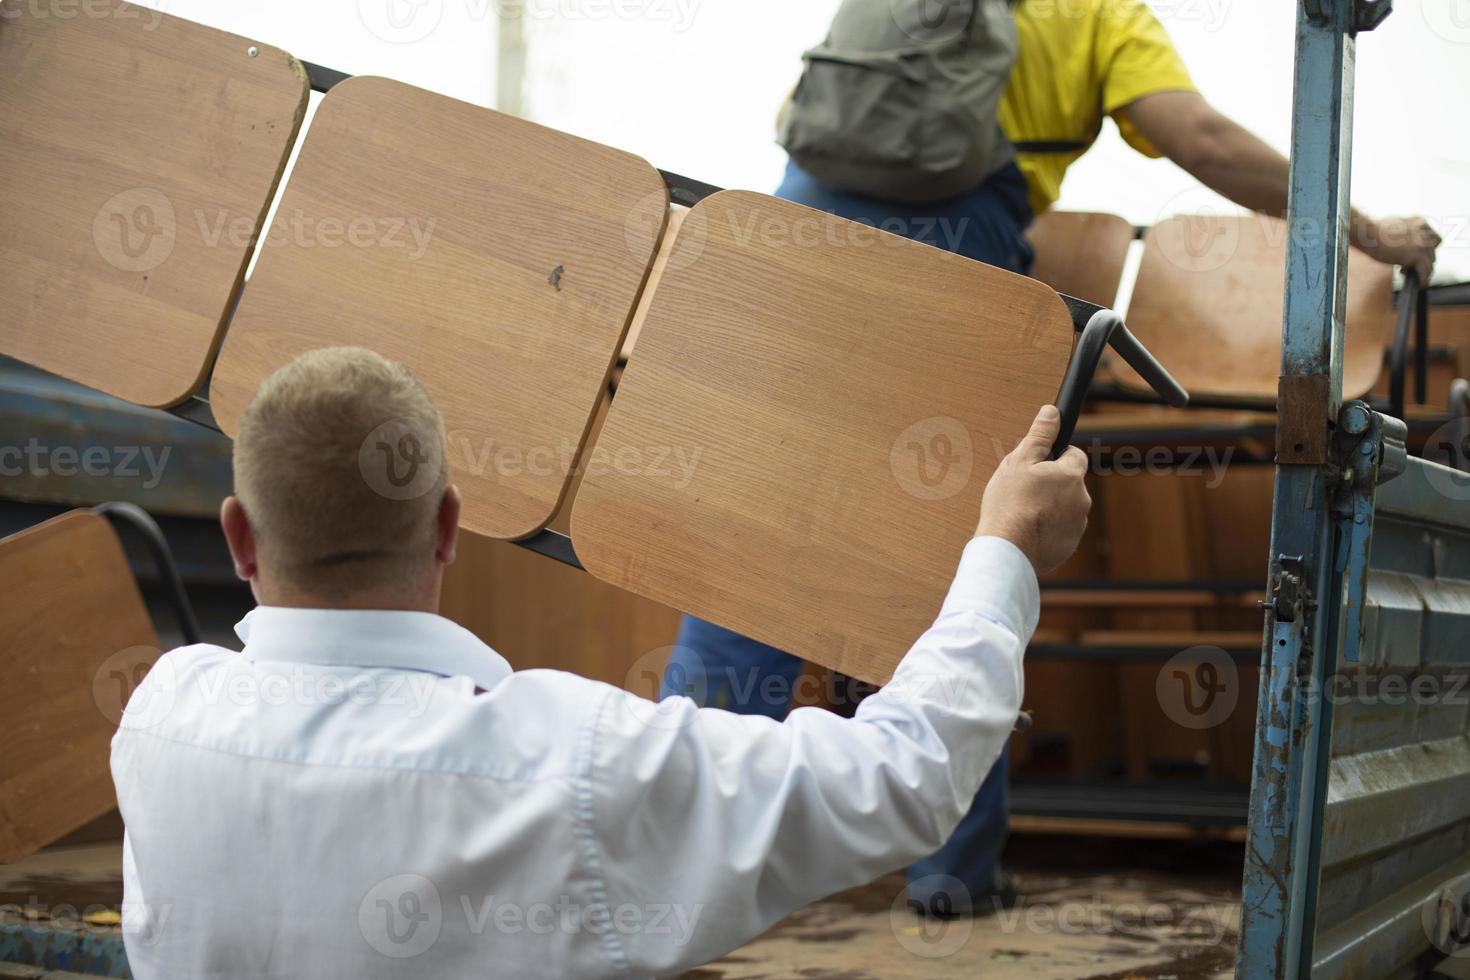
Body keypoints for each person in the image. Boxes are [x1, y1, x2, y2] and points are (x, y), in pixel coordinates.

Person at [662, 0, 1443, 919]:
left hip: (800, 243)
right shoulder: (1100, 14)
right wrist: (1363, 229)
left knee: (755, 534)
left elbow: (808, 103)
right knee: (947, 556)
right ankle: (953, 876)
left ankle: (670, 839)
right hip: (957, 264)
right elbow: (1193, 135)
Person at [110, 346, 1091, 978]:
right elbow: (901, 776)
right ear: (449, 523)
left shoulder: (156, 720)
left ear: (240, 536)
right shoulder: (568, 757)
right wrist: (1003, 546)